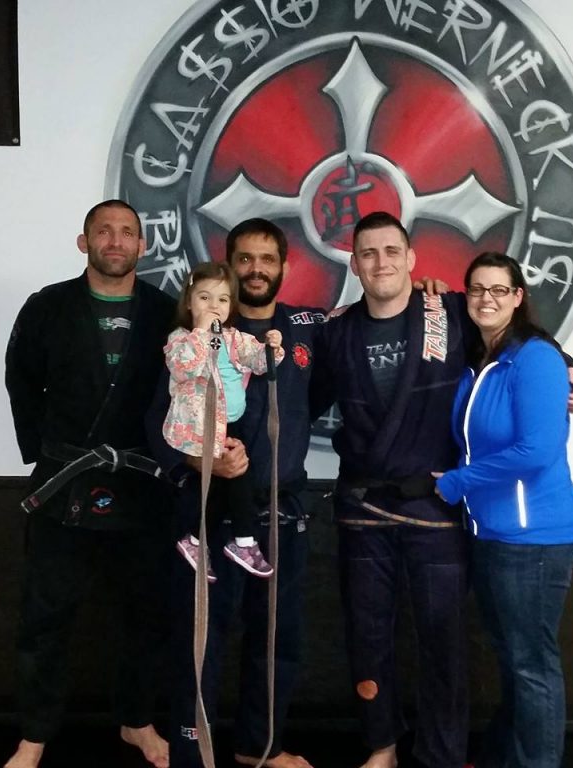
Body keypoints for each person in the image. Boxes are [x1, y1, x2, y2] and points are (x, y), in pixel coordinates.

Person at [309, 211, 573, 768]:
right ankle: (382, 745)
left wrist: (569, 365)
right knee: (367, 634)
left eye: (392, 250)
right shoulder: (335, 330)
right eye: (368, 253)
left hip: (434, 504)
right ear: (354, 264)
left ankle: (441, 755)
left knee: (444, 640)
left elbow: (515, 334)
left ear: (412, 259)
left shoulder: (450, 311)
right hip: (363, 504)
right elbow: (299, 401)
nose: (381, 262)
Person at [4, 200, 176, 768]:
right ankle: (34, 734)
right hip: (65, 481)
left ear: (142, 246)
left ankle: (137, 720)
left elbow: (182, 393)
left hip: (142, 483)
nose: (115, 241)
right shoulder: (47, 307)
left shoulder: (166, 312)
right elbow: (21, 382)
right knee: (45, 616)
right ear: (84, 242)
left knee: (146, 613)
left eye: (127, 232)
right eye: (104, 231)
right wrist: (47, 453)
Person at [146, 219, 324, 768]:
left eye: (267, 259)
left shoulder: (303, 332)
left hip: (283, 510)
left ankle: (258, 746)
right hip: (213, 512)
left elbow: (315, 398)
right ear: (228, 265)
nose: (255, 270)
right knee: (202, 640)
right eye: (244, 259)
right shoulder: (201, 331)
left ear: (284, 267)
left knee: (276, 641)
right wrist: (202, 461)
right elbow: (159, 419)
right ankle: (191, 751)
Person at [434, 252, 573, 768]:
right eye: (477, 289)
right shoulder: (483, 359)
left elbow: (537, 451)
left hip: (534, 540)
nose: (486, 299)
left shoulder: (536, 358)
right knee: (515, 663)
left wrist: (457, 482)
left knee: (532, 666)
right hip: (492, 536)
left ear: (518, 297)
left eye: (499, 289)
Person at [164, 261, 284, 578]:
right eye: (204, 298)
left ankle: (195, 539)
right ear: (188, 303)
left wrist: (271, 348)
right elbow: (183, 366)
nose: (213, 306)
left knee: (223, 485)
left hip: (230, 422)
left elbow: (258, 362)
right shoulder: (181, 337)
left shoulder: (232, 337)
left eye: (222, 299)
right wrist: (200, 332)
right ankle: (244, 541)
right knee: (238, 477)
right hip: (198, 425)